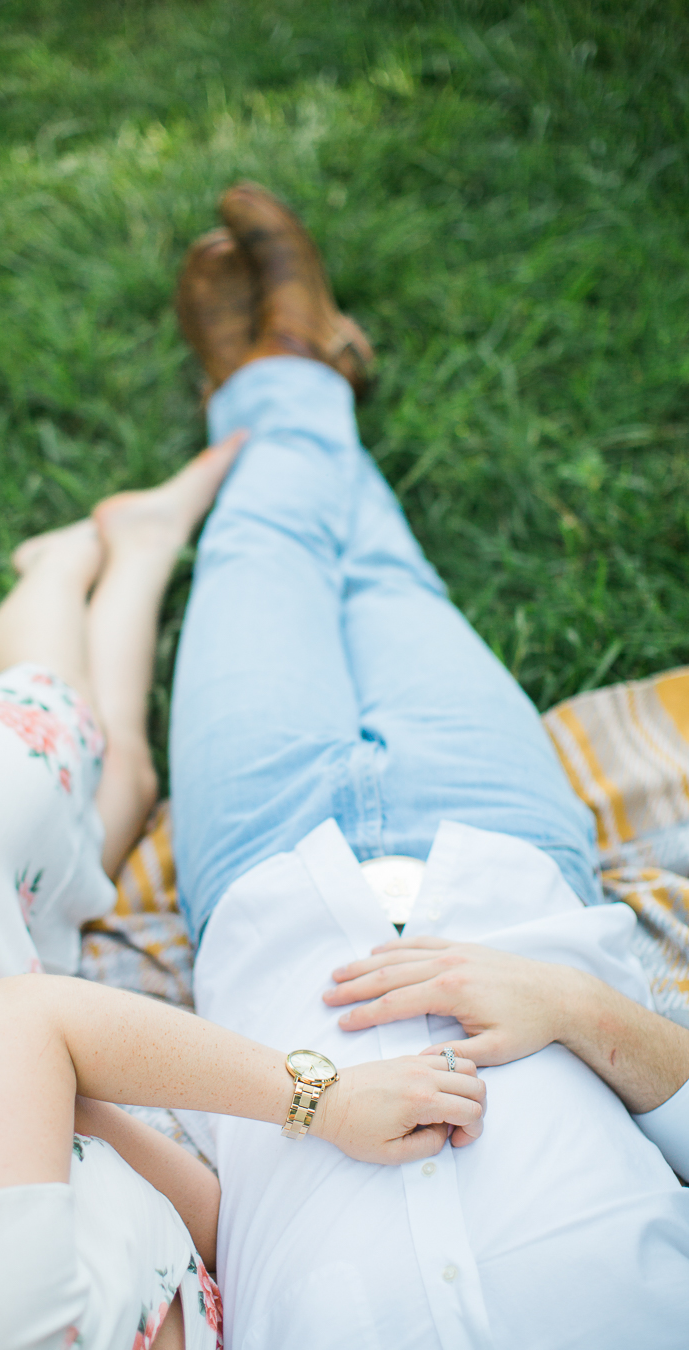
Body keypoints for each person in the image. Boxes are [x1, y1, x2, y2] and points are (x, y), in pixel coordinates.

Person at [0, 418, 487, 1347]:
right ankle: (145, 543)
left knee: (51, 724)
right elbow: (202, 1219)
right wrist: (34, 1091)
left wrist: (320, 1098)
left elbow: (34, 1021)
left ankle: (54, 567)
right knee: (120, 796)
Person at [164, 184, 689, 1348]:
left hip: (263, 862)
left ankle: (287, 378)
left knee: (263, 548)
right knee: (388, 579)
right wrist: (569, 1004)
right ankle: (291, 374)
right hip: (498, 843)